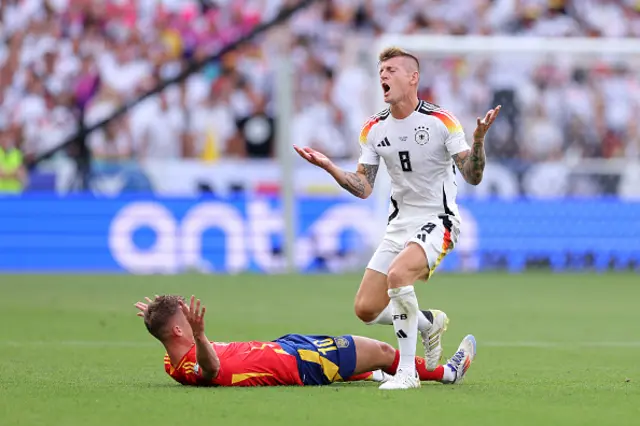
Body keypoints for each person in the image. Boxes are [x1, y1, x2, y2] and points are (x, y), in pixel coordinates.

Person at [293, 47, 500, 390]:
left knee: (399, 274)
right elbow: (363, 187)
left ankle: (407, 372)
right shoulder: (373, 129)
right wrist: (329, 167)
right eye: (381, 71)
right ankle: (427, 323)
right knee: (365, 309)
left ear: (413, 77)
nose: (383, 76)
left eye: (391, 70)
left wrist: (478, 142)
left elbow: (472, 175)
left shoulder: (440, 121)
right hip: (399, 225)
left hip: (439, 219)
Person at [134, 295, 476, 388]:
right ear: (180, 331)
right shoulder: (194, 362)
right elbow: (212, 370)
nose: (192, 317)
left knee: (370, 361)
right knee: (384, 352)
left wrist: (157, 315)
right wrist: (201, 333)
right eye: (186, 317)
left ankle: (372, 374)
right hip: (301, 362)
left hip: (286, 347)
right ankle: (447, 373)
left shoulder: (171, 360)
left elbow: (181, 348)